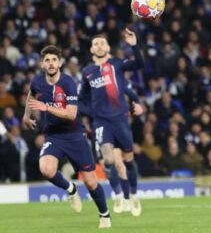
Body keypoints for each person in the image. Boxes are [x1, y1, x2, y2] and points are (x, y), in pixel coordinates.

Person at [24, 45, 110, 228]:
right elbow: (31, 95)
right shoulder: (37, 81)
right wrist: (26, 116)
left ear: (60, 63)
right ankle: (71, 189)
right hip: (54, 136)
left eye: (54, 60)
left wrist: (46, 108)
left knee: (90, 180)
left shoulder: (68, 83)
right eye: (47, 60)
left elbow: (71, 114)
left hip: (74, 135)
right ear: (42, 64)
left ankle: (104, 215)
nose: (51, 63)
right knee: (46, 169)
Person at [79, 28, 144, 216]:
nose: (99, 46)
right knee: (107, 159)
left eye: (102, 43)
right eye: (95, 44)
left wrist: (134, 45)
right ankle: (117, 195)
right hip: (102, 123)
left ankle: (133, 195)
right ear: (91, 50)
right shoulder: (87, 72)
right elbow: (81, 99)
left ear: (108, 47)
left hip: (121, 120)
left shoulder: (117, 64)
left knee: (128, 161)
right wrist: (93, 113)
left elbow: (139, 63)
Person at [81, 78, 143, 213]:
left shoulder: (116, 83)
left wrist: (135, 105)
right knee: (105, 163)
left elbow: (128, 94)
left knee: (120, 164)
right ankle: (120, 195)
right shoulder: (91, 88)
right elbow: (80, 103)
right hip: (100, 130)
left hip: (115, 127)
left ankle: (127, 198)